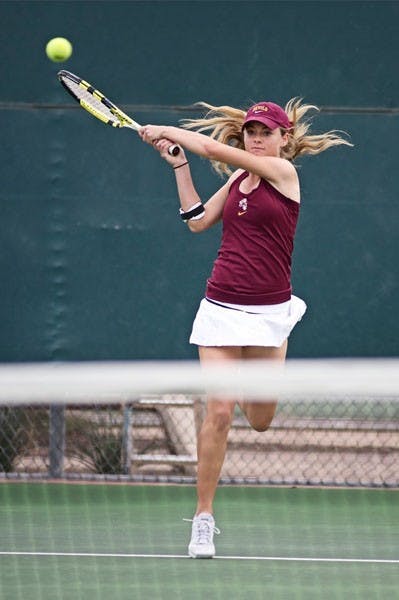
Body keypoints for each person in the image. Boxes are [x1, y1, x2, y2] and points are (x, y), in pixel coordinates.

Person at [139, 99, 352, 558]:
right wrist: (179, 167)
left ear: (284, 139)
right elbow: (197, 223)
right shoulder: (239, 179)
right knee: (218, 411)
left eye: (265, 132)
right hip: (220, 307)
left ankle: (242, 392)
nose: (256, 138)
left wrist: (169, 131)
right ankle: (202, 518)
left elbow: (210, 150)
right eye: (251, 131)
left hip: (270, 313)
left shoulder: (285, 176)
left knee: (259, 420)